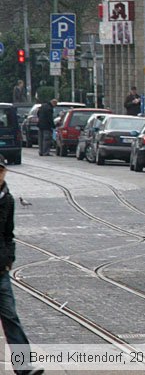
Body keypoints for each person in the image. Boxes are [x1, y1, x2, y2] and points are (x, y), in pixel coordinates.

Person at [0, 156, 44, 375]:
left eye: (1, 171)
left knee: (10, 317)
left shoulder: (7, 199)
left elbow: (9, 233)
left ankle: (24, 366)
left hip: (0, 270)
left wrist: (9, 259)